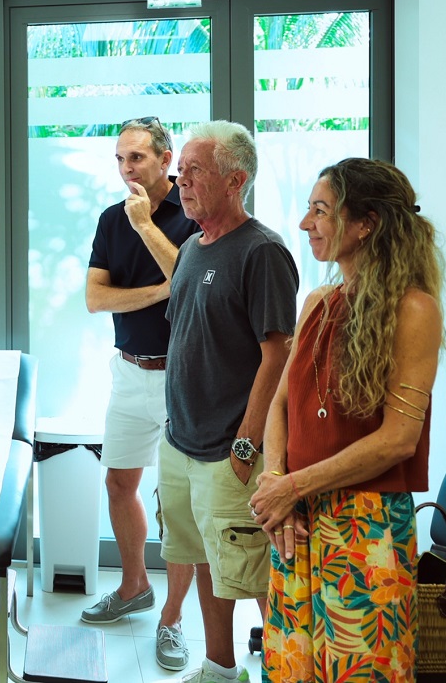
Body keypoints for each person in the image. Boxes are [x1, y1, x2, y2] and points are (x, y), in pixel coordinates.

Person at [250, 158, 442, 682]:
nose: (305, 223)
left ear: (366, 224)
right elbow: (280, 404)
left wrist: (291, 486)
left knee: (360, 671)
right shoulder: (317, 301)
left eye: (320, 210)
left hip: (366, 525)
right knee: (292, 668)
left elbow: (398, 440)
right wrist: (274, 481)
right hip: (296, 519)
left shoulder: (414, 310)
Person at [159, 120, 299, 683]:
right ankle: (219, 669)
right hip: (181, 442)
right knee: (205, 559)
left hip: (230, 450)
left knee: (253, 571)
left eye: (194, 170)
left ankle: (285, 672)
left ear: (235, 180)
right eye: (181, 171)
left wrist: (246, 446)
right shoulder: (190, 248)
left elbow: (278, 354)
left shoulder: (262, 251)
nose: (181, 180)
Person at [82, 116, 198, 671]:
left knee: (176, 503)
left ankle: (172, 619)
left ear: (166, 159)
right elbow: (95, 298)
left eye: (137, 158)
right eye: (120, 159)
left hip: (183, 376)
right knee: (119, 483)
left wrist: (146, 225)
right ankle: (134, 587)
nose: (126, 169)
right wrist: (159, 292)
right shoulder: (111, 219)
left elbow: (192, 286)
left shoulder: (191, 212)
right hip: (129, 371)